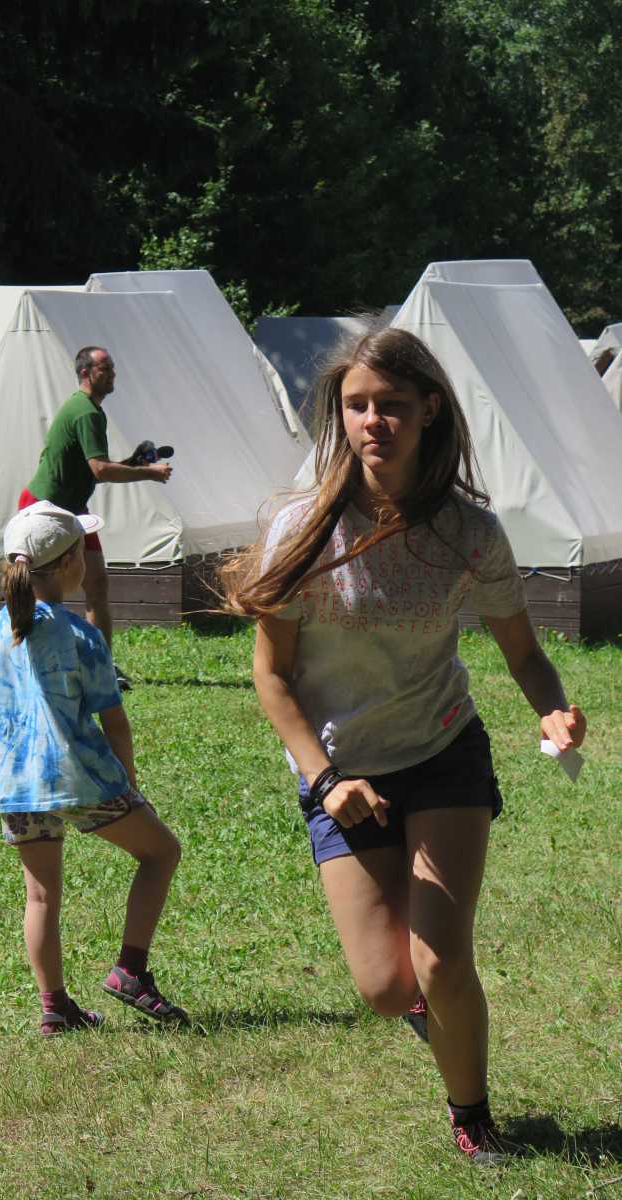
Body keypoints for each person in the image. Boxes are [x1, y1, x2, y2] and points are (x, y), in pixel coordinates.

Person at [220, 327, 586, 1164]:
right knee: (387, 987)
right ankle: (431, 1015)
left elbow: (523, 653)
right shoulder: (303, 531)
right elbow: (271, 677)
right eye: (356, 406)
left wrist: (551, 711)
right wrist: (325, 780)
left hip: (442, 753)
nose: (372, 421)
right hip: (342, 774)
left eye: (389, 405)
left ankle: (473, 1119)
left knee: (440, 959)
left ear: (428, 410)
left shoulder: (470, 534)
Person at [0, 500, 187, 1036]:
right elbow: (115, 721)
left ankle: (55, 1008)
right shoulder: (82, 635)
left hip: (16, 785)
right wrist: (130, 786)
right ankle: (130, 970)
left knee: (40, 896)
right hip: (80, 777)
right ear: (68, 564)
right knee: (161, 852)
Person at [20, 346, 173, 687]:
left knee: (97, 584)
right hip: (44, 507)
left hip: (72, 509)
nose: (113, 373)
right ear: (86, 373)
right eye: (105, 368)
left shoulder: (91, 410)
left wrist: (132, 464)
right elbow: (100, 470)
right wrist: (150, 473)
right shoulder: (85, 412)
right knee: (41, 588)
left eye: (113, 366)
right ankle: (27, 657)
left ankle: (101, 666)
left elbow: (91, 470)